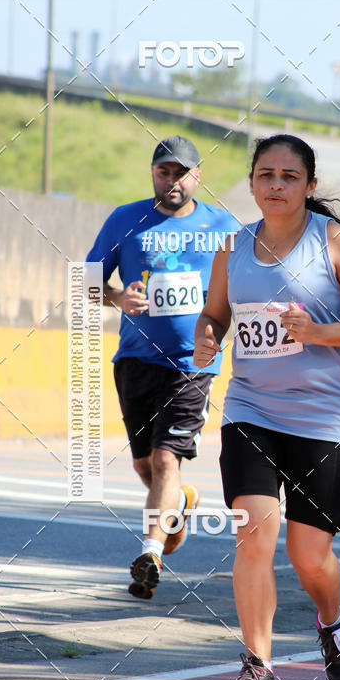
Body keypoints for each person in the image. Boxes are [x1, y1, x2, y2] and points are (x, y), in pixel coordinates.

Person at [193, 133, 340, 680]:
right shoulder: (234, 245)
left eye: (289, 176)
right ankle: (257, 665)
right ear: (252, 182)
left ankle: (331, 619)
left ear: (308, 185)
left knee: (309, 556)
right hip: (250, 410)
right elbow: (215, 312)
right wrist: (209, 335)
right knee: (253, 532)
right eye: (266, 175)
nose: (276, 185)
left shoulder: (335, 242)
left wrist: (318, 332)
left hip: (323, 419)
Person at [86, 135, 239, 599]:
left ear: (197, 175)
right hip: (135, 360)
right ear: (153, 173)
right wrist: (114, 296)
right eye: (163, 171)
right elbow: (84, 281)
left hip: (193, 363)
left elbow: (252, 281)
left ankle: (149, 553)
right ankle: (180, 505)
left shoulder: (223, 225)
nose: (172, 180)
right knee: (144, 464)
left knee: (166, 457)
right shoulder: (125, 220)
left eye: (181, 172)